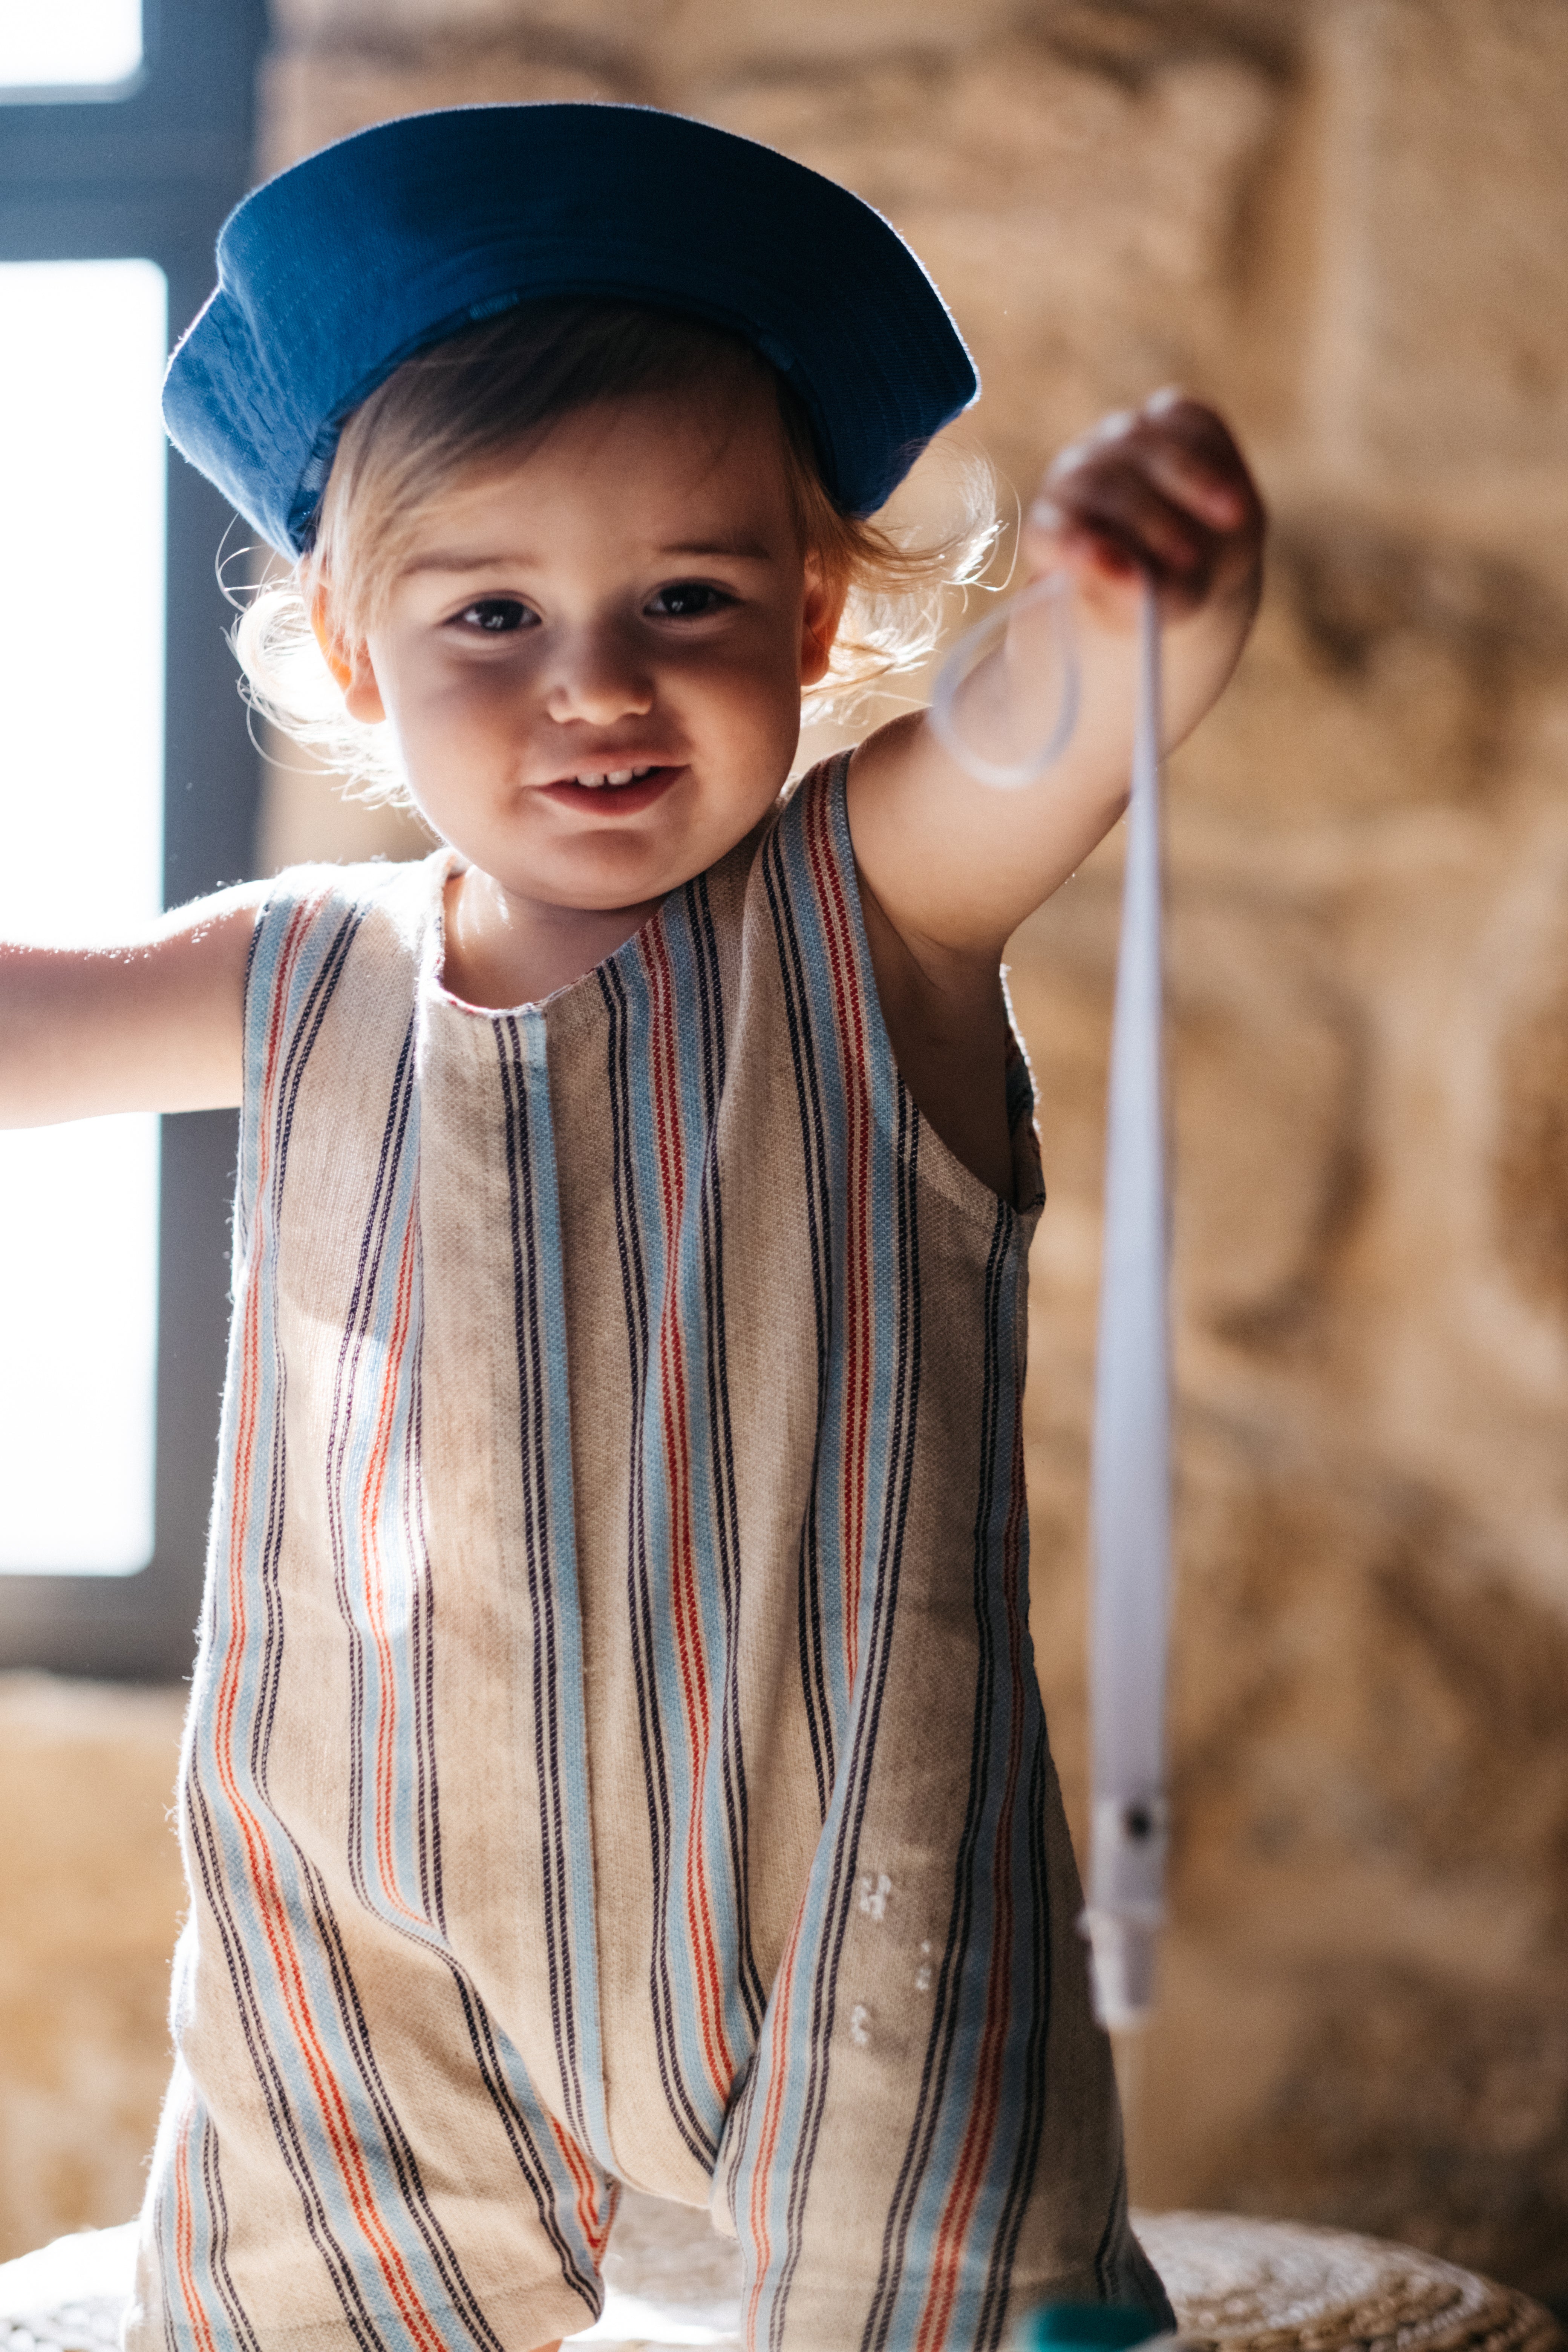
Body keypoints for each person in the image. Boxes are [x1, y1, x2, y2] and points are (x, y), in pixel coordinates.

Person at [0, 104, 1263, 2352]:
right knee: (299, 2301)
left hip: (838, 1856)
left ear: (807, 611)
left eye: (683, 600)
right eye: (492, 611)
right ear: (358, 654)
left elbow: (1047, 747)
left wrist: (1140, 611)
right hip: (372, 1888)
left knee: (923, 2287)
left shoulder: (872, 914)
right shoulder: (299, 972)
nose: (594, 681)